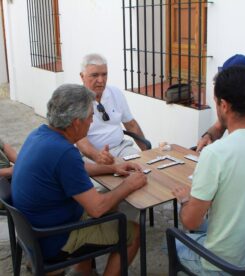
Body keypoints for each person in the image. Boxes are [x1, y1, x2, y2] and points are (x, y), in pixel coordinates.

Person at [12, 84, 147, 276]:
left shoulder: (40, 134)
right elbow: (97, 208)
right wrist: (129, 184)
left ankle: (83, 270)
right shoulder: (64, 152)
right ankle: (80, 264)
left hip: (35, 230)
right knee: (133, 232)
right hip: (53, 239)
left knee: (112, 207)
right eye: (91, 116)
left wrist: (112, 168)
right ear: (76, 122)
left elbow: (76, 169)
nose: (92, 121)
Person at [172, 67, 245, 275]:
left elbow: (191, 221)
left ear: (224, 105)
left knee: (172, 241)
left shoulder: (216, 153)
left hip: (224, 266)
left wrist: (185, 200)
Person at [77, 53, 147, 162]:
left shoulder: (115, 93)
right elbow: (81, 140)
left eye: (104, 74)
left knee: (142, 167)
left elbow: (131, 125)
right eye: (95, 75)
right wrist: (99, 157)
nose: (101, 80)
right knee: (104, 178)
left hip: (121, 148)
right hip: (90, 154)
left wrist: (148, 154)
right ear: (82, 76)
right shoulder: (75, 99)